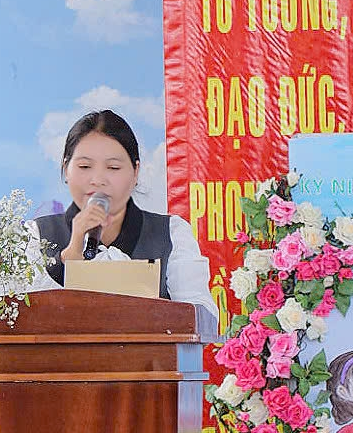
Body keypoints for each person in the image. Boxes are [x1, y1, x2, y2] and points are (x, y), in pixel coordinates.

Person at [31, 109, 217, 317]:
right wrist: (69, 257)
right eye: (85, 166)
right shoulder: (37, 235)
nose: (98, 179)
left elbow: (202, 315)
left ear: (135, 172)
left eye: (113, 167)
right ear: (66, 169)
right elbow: (20, 316)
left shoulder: (171, 233)